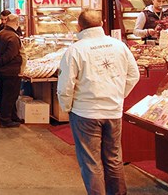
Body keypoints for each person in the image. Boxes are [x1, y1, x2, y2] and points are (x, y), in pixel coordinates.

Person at [57, 10, 140, 195]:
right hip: (113, 111)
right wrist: (118, 95)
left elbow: (65, 86)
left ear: (79, 26)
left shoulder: (75, 50)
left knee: (91, 162)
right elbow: (134, 75)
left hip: (85, 113)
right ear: (102, 22)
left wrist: (67, 107)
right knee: (114, 158)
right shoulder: (119, 46)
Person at [0, 14, 24, 128]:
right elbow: (11, 54)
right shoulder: (13, 37)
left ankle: (11, 116)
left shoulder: (0, 34)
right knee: (10, 95)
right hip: (10, 71)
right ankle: (5, 120)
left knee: (3, 94)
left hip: (0, 71)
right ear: (16, 23)